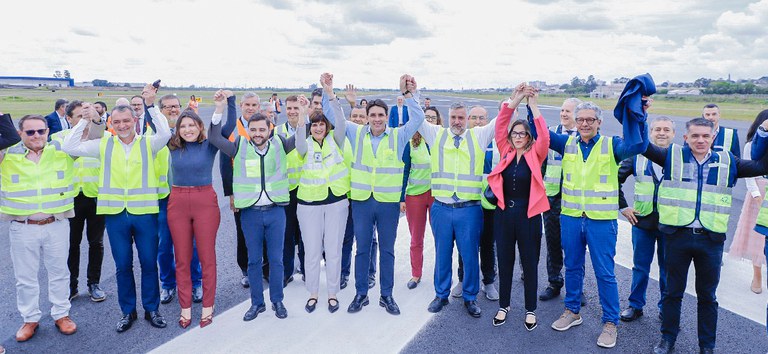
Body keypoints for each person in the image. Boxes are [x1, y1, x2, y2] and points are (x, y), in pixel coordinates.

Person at [645, 117, 768, 354]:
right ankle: (667, 339)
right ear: (685, 138)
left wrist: (763, 131)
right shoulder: (671, 156)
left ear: (713, 137)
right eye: (695, 136)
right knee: (672, 292)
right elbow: (641, 145)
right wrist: (638, 112)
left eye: (705, 136)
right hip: (677, 237)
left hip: (710, 240)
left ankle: (707, 346)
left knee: (708, 297)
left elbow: (763, 166)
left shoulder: (728, 161)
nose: (700, 140)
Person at [62, 84, 172, 333]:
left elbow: (165, 133)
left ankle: (152, 309)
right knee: (123, 266)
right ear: (111, 122)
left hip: (144, 214)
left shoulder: (148, 143)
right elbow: (70, 148)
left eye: (126, 120)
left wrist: (151, 106)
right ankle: (127, 311)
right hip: (115, 216)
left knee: (147, 263)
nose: (122, 125)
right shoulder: (104, 145)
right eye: (117, 121)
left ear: (134, 120)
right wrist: (84, 121)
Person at [545, 91, 650, 349]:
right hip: (570, 217)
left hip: (601, 221)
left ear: (599, 122)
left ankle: (610, 322)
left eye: (590, 119)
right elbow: (542, 134)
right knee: (572, 267)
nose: (584, 124)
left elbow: (637, 146)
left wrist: (640, 116)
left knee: (604, 273)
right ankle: (572, 311)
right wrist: (531, 105)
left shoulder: (611, 145)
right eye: (580, 119)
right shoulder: (566, 143)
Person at [328, 72, 424, 315]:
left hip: (387, 203)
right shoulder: (356, 132)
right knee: (362, 249)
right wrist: (330, 93)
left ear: (386, 117)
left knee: (388, 249)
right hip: (361, 201)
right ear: (367, 117)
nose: (377, 119)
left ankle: (386, 295)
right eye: (373, 115)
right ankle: (361, 294)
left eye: (381, 115)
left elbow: (418, 118)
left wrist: (408, 95)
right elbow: (333, 116)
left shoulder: (398, 135)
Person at [420, 91, 515, 318]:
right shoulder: (436, 135)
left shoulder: (478, 136)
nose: (457, 122)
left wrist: (515, 99)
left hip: (469, 209)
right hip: (441, 208)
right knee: (442, 253)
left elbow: (501, 119)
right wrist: (410, 93)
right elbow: (417, 117)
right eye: (453, 117)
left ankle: (470, 298)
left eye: (461, 118)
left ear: (467, 119)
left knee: (470, 255)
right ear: (448, 117)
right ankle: (441, 294)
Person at [209, 99, 297, 321]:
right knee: (254, 261)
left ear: (270, 130)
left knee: (276, 261)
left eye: (262, 129)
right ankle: (257, 303)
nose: (257, 133)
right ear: (247, 130)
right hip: (250, 213)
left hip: (276, 211)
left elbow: (302, 137)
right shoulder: (239, 146)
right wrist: (219, 110)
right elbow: (214, 137)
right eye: (253, 129)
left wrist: (303, 114)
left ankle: (277, 300)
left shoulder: (280, 144)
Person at [1, 112, 84, 342]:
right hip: (22, 226)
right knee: (25, 277)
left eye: (41, 130)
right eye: (30, 132)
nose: (36, 135)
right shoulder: (7, 155)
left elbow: (92, 134)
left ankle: (61, 314)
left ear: (48, 131)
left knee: (59, 272)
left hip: (55, 224)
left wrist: (93, 117)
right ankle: (30, 319)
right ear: (19, 134)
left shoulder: (62, 149)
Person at [487, 85, 549, 329]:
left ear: (528, 136)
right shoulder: (506, 151)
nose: (518, 136)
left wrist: (532, 104)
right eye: (515, 133)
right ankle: (504, 305)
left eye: (523, 133)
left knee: (530, 262)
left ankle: (530, 309)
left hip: (529, 215)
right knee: (504, 261)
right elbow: (501, 125)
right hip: (504, 215)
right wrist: (515, 100)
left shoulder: (537, 153)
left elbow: (544, 135)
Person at [165, 104, 222, 329]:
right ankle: (185, 306)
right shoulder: (172, 145)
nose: (187, 130)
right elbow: (158, 128)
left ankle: (208, 306)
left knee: (207, 257)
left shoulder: (209, 146)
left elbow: (222, 128)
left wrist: (220, 108)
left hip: (205, 201)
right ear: (178, 129)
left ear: (200, 127)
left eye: (192, 125)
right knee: (182, 259)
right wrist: (150, 103)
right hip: (177, 201)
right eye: (183, 126)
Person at [294, 92, 350, 313]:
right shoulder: (304, 145)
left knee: (334, 250)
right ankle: (313, 293)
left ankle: (333, 293)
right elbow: (300, 132)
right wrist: (301, 112)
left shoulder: (336, 140)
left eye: (322, 125)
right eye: (314, 125)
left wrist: (332, 96)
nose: (318, 128)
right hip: (309, 205)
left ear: (327, 127)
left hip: (336, 202)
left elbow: (342, 121)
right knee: (312, 251)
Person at [617, 116, 675, 322]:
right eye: (657, 129)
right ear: (650, 133)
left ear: (673, 134)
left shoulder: (681, 158)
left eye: (666, 130)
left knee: (668, 269)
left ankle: (665, 307)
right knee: (640, 267)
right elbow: (616, 178)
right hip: (642, 222)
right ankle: (635, 305)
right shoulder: (637, 155)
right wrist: (623, 206)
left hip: (671, 225)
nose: (661, 133)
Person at [50, 101, 108, 303]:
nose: (85, 122)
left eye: (87, 118)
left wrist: (97, 119)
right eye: (79, 118)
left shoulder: (102, 138)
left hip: (95, 197)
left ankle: (94, 283)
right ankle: (71, 285)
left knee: (96, 243)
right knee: (71, 244)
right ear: (68, 119)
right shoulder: (59, 139)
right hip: (71, 199)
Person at [151, 94, 203, 306]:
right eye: (167, 107)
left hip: (188, 196)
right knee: (164, 246)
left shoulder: (188, 132)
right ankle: (168, 284)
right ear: (160, 110)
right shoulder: (153, 135)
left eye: (175, 107)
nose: (172, 110)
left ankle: (196, 282)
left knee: (192, 244)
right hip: (164, 198)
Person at [452, 105, 499, 301]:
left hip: (489, 201)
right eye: (474, 118)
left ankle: (488, 281)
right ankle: (463, 279)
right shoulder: (460, 141)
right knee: (465, 243)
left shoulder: (496, 142)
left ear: (487, 120)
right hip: (467, 199)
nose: (478, 121)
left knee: (488, 243)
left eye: (482, 118)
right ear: (468, 119)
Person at [220, 92, 266, 287]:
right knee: (244, 231)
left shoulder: (266, 126)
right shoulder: (233, 130)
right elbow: (224, 164)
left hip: (264, 190)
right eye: (247, 104)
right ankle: (246, 268)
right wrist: (231, 193)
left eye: (254, 104)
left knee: (265, 230)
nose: (250, 108)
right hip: (241, 191)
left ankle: (265, 267)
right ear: (240, 105)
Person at [540, 98, 582, 302]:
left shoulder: (586, 136)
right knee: (553, 243)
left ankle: (577, 288)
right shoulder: (551, 132)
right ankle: (554, 282)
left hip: (575, 199)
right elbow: (541, 163)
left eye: (569, 111)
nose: (564, 114)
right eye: (563, 110)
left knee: (575, 246)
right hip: (552, 197)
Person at [729, 110, 768, 294]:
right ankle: (757, 274)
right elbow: (749, 174)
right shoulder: (751, 145)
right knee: (757, 238)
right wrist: (756, 195)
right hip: (758, 192)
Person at [402, 107, 441, 289]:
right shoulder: (411, 143)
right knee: (416, 238)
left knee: (441, 237)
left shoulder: (442, 141)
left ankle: (440, 273)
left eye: (433, 118)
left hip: (437, 196)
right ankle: (416, 274)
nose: (430, 121)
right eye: (426, 118)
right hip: (415, 195)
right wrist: (402, 196)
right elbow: (405, 170)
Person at [274, 95, 308, 285]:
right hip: (284, 191)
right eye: (290, 108)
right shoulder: (277, 131)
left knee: (305, 234)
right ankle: (287, 272)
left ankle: (306, 269)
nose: (293, 111)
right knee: (286, 234)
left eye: (296, 108)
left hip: (305, 190)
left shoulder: (309, 130)